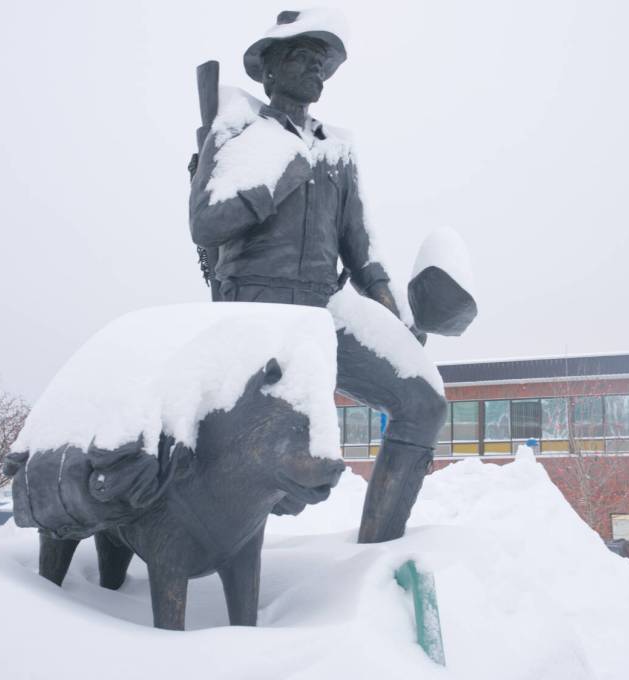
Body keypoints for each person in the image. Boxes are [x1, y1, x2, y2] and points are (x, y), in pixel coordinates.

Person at [188, 9, 446, 543]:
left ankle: (378, 553)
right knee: (258, 457)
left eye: (321, 62)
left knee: (423, 404)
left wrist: (392, 315)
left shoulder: (337, 147)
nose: (316, 70)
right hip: (253, 310)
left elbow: (362, 251)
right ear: (270, 70)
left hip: (321, 310)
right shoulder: (237, 128)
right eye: (302, 58)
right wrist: (273, 182)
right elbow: (205, 224)